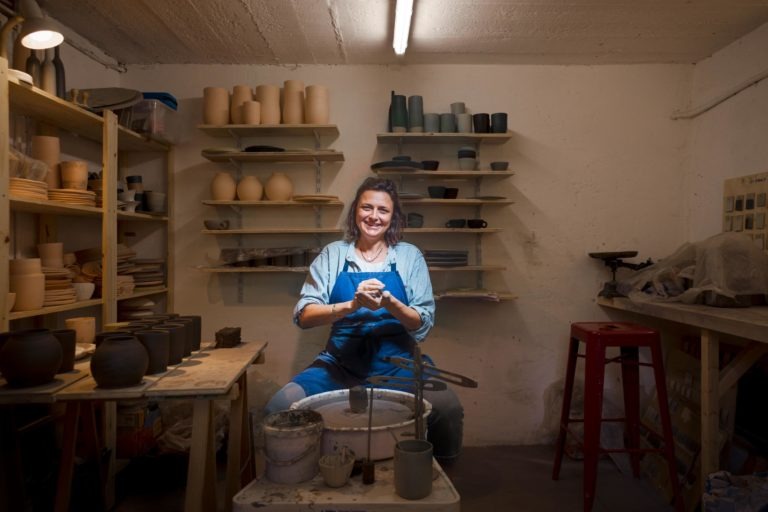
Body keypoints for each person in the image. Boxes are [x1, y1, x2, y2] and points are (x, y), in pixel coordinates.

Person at [264, 177, 464, 463]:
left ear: (393, 217)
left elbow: (421, 323)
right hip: (339, 363)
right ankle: (294, 483)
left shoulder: (409, 256)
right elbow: (304, 315)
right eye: (366, 207)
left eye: (383, 210)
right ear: (355, 211)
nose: (373, 216)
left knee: (447, 408)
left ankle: (439, 481)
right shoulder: (333, 254)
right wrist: (351, 304)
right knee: (280, 406)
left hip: (399, 364)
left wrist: (391, 303)